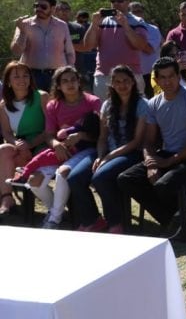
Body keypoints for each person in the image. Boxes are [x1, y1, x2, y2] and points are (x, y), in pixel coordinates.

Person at [117, 57, 186, 231]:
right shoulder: (154, 103)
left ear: (178, 76)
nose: (167, 81)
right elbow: (149, 141)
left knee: (163, 184)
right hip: (168, 153)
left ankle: (178, 219)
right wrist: (151, 163)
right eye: (162, 77)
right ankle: (173, 218)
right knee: (126, 179)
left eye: (171, 76)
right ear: (157, 79)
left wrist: (168, 162)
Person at [70, 65, 148, 233]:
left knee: (101, 177)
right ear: (111, 84)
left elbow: (136, 141)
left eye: (126, 81)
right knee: (74, 177)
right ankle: (92, 219)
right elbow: (103, 137)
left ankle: (115, 222)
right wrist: (99, 156)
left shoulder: (142, 104)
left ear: (133, 82)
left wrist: (108, 158)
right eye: (117, 81)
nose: (122, 85)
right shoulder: (107, 105)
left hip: (131, 153)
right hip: (107, 152)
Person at [28, 66, 101, 229]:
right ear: (58, 85)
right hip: (62, 151)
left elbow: (101, 134)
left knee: (62, 174)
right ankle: (57, 209)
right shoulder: (53, 105)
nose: (70, 84)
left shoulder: (92, 102)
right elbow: (49, 134)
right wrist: (56, 145)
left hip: (87, 150)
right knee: (34, 181)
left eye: (73, 80)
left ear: (79, 82)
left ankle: (54, 219)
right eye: (65, 81)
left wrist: (81, 136)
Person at [0, 62, 49, 216]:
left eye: (25, 75)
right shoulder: (3, 106)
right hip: (22, 149)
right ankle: (7, 198)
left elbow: (51, 128)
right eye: (16, 76)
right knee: (4, 150)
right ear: (8, 81)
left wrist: (30, 144)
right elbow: (7, 134)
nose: (22, 79)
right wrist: (16, 143)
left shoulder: (42, 97)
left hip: (44, 146)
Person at [82, 0, 151, 99]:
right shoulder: (101, 21)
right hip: (104, 75)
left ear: (128, 2)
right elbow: (88, 46)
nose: (116, 4)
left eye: (120, 1)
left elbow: (141, 45)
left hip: (131, 75)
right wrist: (94, 24)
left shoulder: (137, 21)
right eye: (113, 1)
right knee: (104, 112)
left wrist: (126, 25)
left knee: (135, 111)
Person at [11, 0, 75, 91]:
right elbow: (16, 51)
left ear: (53, 9)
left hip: (58, 74)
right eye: (36, 6)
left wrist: (69, 72)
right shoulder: (24, 24)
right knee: (35, 105)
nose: (38, 9)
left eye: (43, 6)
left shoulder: (62, 26)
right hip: (32, 75)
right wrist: (23, 32)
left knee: (56, 105)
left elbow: (69, 52)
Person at [129, 2, 163, 98]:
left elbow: (149, 49)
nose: (136, 14)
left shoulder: (153, 29)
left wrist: (133, 37)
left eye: (139, 11)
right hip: (131, 74)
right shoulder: (122, 29)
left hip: (150, 74)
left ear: (143, 13)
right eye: (133, 12)